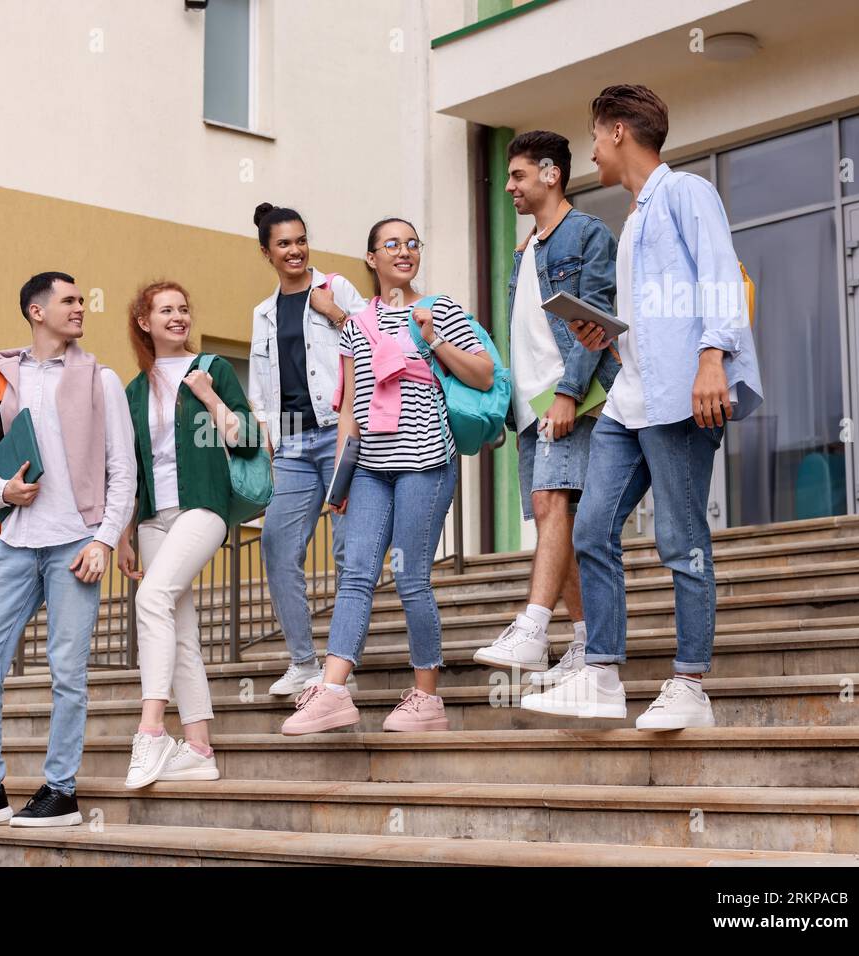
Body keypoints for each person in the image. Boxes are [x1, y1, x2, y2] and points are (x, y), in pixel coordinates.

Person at [522, 85, 764, 729]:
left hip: (683, 394)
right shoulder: (631, 222)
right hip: (632, 399)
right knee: (592, 527)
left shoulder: (685, 192)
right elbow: (648, 319)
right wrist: (605, 333)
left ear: (621, 132)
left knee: (680, 538)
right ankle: (601, 673)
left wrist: (713, 356)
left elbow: (718, 273)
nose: (592, 150)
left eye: (596, 137)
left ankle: (691, 684)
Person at [0, 271, 136, 833]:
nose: (80, 308)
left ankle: (60, 791)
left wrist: (103, 538)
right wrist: (4, 492)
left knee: (67, 670)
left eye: (82, 301)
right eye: (69, 300)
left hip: (75, 544)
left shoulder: (102, 379)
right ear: (36, 311)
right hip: (17, 543)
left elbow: (123, 470)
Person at [281, 218, 494, 735]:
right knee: (355, 573)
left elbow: (483, 373)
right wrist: (341, 480)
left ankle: (427, 700)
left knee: (410, 577)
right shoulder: (356, 324)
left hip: (427, 463)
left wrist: (433, 341)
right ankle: (332, 691)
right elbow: (352, 407)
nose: (403, 251)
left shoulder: (440, 309)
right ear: (372, 259)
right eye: (391, 245)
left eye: (411, 243)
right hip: (372, 469)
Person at [473, 131, 620, 687]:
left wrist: (569, 392)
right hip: (533, 405)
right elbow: (527, 336)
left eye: (518, 175)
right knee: (553, 518)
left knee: (551, 502)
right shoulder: (527, 248)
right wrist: (510, 411)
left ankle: (534, 626)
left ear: (551, 173)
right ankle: (583, 643)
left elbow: (596, 320)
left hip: (573, 396)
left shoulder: (585, 234)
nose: (510, 185)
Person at [116, 280, 260, 787]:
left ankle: (151, 731)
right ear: (144, 322)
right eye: (166, 310)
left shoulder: (212, 369)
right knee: (179, 632)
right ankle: (199, 748)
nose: (178, 317)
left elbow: (249, 439)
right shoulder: (134, 390)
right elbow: (130, 467)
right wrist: (123, 534)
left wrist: (209, 397)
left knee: (151, 600)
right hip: (154, 516)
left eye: (183, 308)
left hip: (203, 506)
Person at [248, 203, 368, 696]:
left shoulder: (336, 289)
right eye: (283, 244)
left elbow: (375, 345)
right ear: (267, 252)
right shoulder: (263, 312)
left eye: (300, 240)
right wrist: (271, 445)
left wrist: (336, 314)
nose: (295, 250)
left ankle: (342, 667)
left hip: (340, 432)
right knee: (277, 545)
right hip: (293, 442)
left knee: (347, 551)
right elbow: (261, 387)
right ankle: (303, 662)